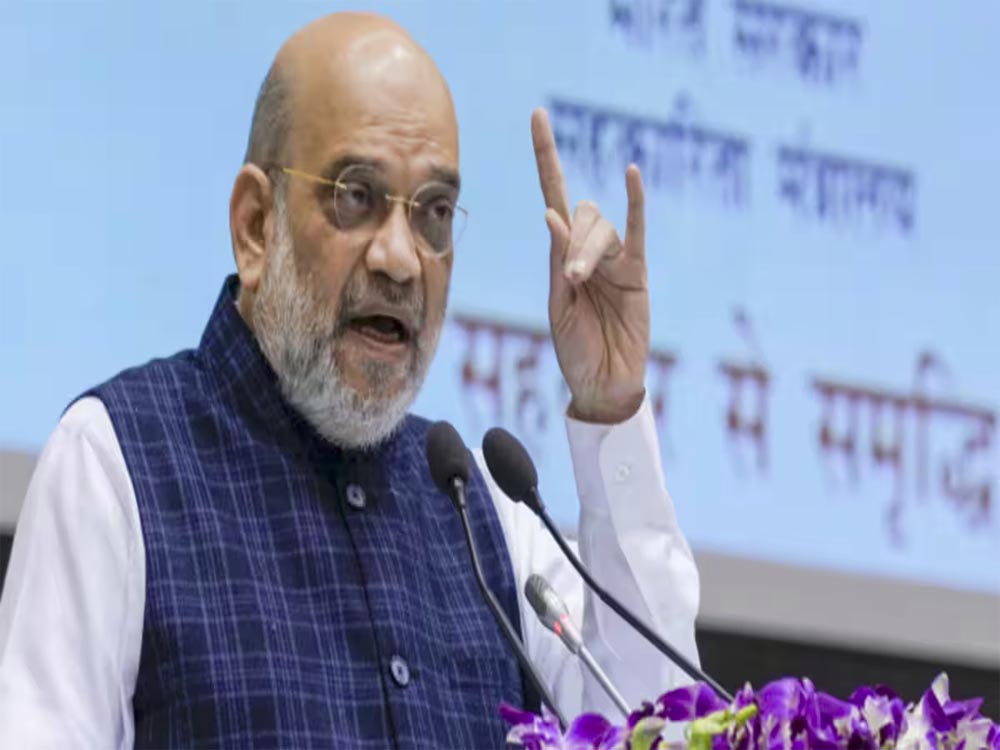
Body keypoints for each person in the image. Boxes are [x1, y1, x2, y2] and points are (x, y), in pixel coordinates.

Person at [0, 11, 700, 750]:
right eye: (355, 196)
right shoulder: (114, 468)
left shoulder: (485, 516)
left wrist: (610, 404)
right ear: (256, 226)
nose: (400, 259)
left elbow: (654, 727)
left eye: (434, 212)